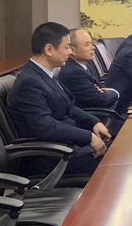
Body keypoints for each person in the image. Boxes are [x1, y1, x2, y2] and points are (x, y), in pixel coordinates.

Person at [8, 22, 111, 176]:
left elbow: (69, 108)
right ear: (49, 49)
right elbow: (46, 127)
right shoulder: (29, 83)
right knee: (115, 158)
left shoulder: (45, 74)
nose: (70, 52)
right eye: (67, 47)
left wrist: (94, 122)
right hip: (51, 157)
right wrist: (87, 137)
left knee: (118, 146)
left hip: (67, 146)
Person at [58, 29, 119, 109]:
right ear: (73, 50)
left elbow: (100, 89)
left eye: (91, 43)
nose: (93, 47)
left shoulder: (85, 65)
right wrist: (115, 92)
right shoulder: (73, 73)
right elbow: (101, 100)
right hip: (93, 114)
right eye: (87, 44)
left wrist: (101, 92)